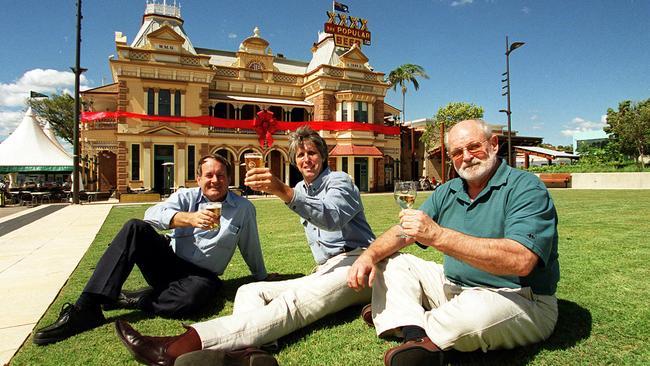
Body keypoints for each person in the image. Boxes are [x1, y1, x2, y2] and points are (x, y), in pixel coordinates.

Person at [114, 125, 376, 365]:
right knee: (250, 291)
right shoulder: (302, 188)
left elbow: (332, 217)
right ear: (294, 160)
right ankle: (252, 351)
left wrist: (282, 190)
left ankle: (174, 348)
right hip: (326, 270)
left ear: (323, 156)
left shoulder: (339, 181)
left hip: (359, 263)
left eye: (312, 153)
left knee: (293, 304)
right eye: (300, 154)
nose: (306, 159)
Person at [348, 119, 560, 366]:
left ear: (494, 145)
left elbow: (521, 260)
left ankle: (398, 316)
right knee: (394, 262)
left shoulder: (525, 187)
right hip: (453, 288)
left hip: (517, 297)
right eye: (457, 152)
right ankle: (415, 336)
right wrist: (368, 256)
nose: (467, 157)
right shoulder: (448, 191)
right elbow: (404, 231)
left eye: (474, 147)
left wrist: (438, 236)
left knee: (476, 314)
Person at [33, 154, 269, 345]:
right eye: (208, 175)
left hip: (202, 276)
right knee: (134, 227)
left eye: (221, 175)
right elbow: (151, 216)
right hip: (169, 264)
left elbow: (251, 245)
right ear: (198, 179)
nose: (214, 180)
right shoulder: (185, 197)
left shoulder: (243, 208)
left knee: (193, 299)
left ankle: (136, 298)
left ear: (229, 178)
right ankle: (86, 308)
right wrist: (187, 218)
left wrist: (262, 277)